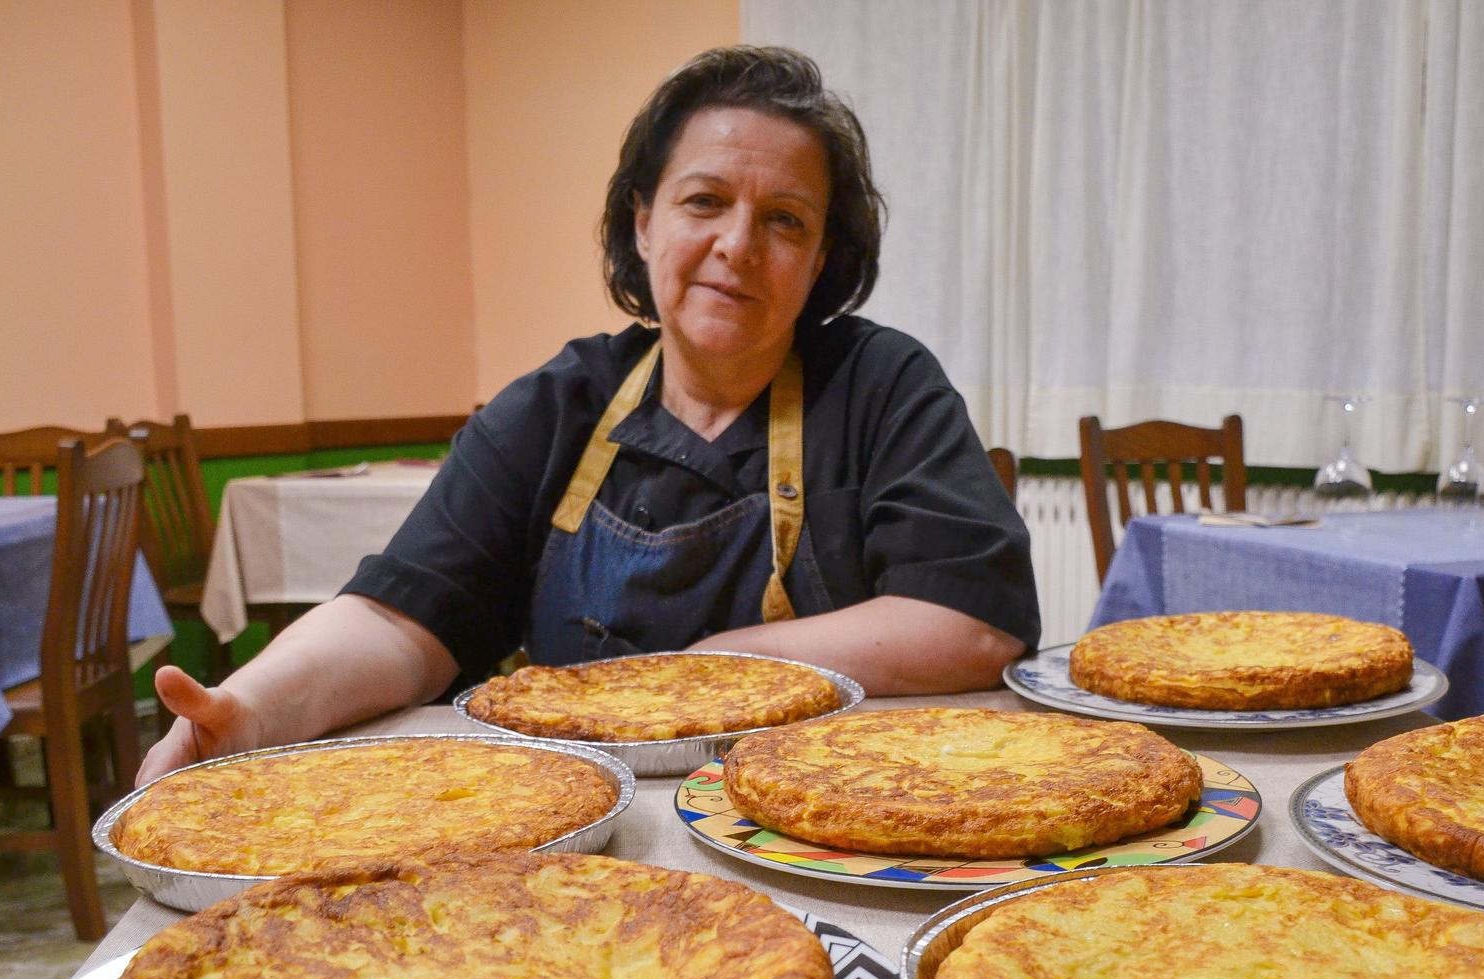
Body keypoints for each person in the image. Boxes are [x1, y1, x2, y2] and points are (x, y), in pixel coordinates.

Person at [137, 45, 1038, 784]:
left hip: (821, 810)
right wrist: (251, 708)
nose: (737, 245)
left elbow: (971, 621)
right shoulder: (557, 406)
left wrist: (717, 664)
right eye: (705, 201)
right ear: (643, 222)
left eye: (786, 221)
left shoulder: (883, 386)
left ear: (821, 260)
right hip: (577, 822)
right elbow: (397, 621)